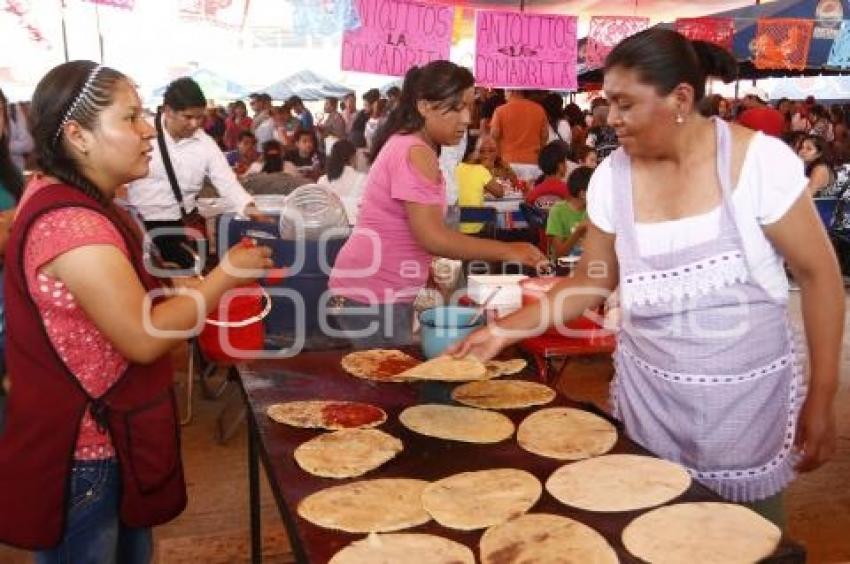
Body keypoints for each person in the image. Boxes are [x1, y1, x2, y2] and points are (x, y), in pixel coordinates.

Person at [451, 29, 842, 528]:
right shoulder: (614, 177)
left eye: (624, 104)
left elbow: (821, 275)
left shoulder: (757, 163)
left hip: (746, 410)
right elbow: (589, 284)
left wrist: (823, 393)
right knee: (652, 531)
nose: (610, 118)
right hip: (651, 406)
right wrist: (503, 329)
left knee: (747, 540)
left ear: (680, 98)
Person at [0, 60, 273, 562]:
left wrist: (179, 286)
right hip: (84, 453)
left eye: (143, 115)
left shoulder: (84, 200)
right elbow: (143, 336)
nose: (147, 131)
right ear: (79, 136)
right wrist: (224, 277)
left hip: (108, 439)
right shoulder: (72, 225)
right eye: (130, 119)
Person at [328, 60, 546, 347]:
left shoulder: (410, 144)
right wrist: (509, 250)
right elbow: (432, 237)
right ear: (423, 107)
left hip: (374, 291)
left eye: (470, 106)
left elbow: (405, 226)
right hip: (373, 295)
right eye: (456, 107)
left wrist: (423, 268)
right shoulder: (415, 151)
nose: (467, 118)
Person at [127, 77, 261, 268]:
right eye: (188, 117)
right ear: (168, 111)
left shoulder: (205, 143)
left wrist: (249, 207)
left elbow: (226, 181)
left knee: (187, 279)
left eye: (200, 117)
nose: (195, 124)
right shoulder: (142, 132)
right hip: (142, 225)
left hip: (182, 224)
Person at [490, 90, 549, 181]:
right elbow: (545, 137)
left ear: (513, 91)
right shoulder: (539, 109)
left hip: (507, 163)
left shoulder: (500, 111)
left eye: (506, 90)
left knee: (509, 194)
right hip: (533, 164)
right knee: (530, 194)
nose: (504, 94)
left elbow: (493, 137)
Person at [456, 135, 506, 234]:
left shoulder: (454, 169)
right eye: (481, 151)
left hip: (453, 226)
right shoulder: (481, 170)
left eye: (491, 151)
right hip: (476, 229)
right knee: (494, 218)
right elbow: (500, 193)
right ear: (472, 153)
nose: (485, 155)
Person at [546, 166, 592, 259]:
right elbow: (559, 254)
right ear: (583, 194)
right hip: (564, 267)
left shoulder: (596, 210)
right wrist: (578, 232)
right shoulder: (558, 211)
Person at [318, 139, 367, 224]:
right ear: (353, 158)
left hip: (327, 231)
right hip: (354, 230)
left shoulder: (322, 180)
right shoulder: (362, 179)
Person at [525, 141, 571, 209]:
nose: (567, 166)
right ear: (560, 166)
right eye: (565, 162)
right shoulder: (568, 192)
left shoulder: (533, 194)